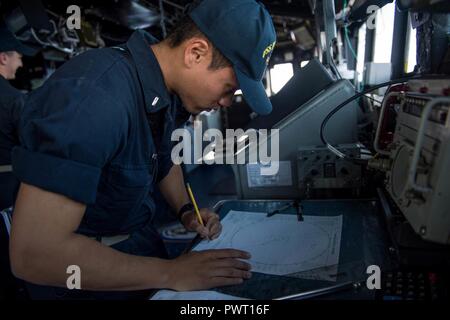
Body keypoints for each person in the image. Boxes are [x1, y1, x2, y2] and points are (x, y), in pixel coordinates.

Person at [9, 0, 276, 299]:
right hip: (82, 275)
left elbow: (163, 156)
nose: (227, 102)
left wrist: (186, 210)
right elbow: (35, 254)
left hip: (139, 243)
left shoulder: (166, 91)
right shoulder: (95, 99)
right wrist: (172, 273)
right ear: (195, 53)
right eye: (229, 88)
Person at [0, 24, 37, 210]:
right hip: (5, 190)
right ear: (3, 58)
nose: (21, 64)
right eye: (19, 57)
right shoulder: (15, 100)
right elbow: (31, 144)